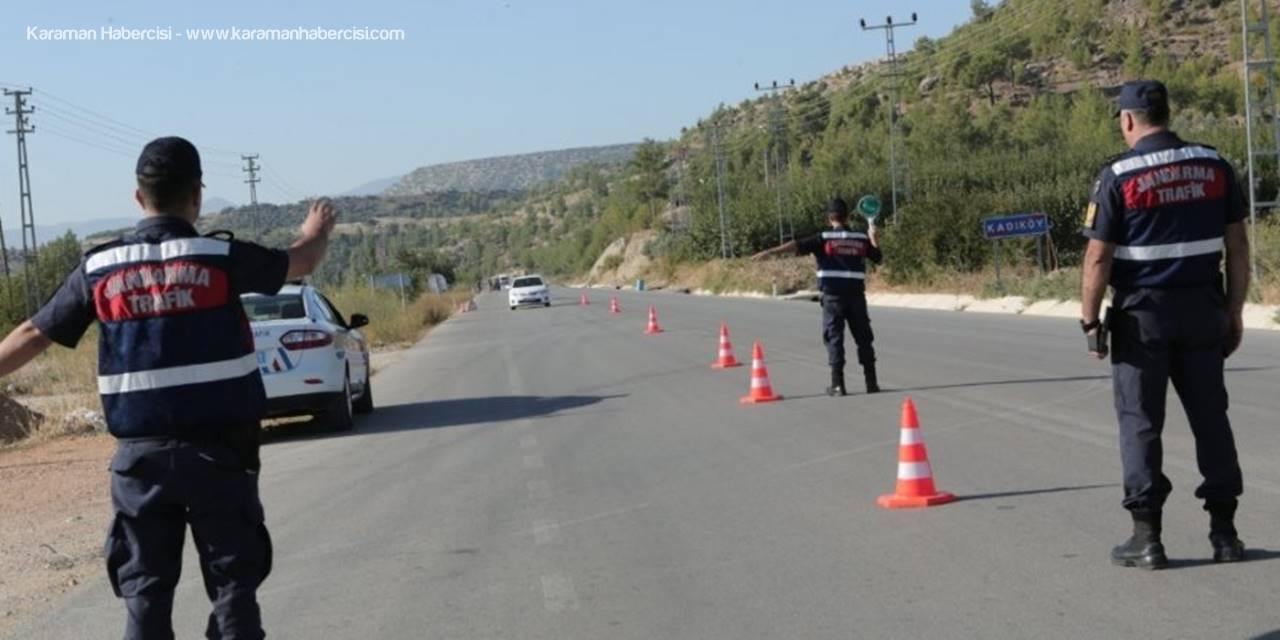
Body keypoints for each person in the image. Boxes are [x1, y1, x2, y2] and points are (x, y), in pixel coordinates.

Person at [0, 136, 338, 638]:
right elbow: (302, 261)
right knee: (233, 588)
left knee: (145, 593)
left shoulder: (100, 268)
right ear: (197, 197)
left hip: (141, 463)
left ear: (139, 198)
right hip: (223, 456)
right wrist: (316, 228)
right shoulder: (221, 256)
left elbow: (32, 335)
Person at [1080, 80, 1251, 570]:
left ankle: (1147, 538)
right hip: (1203, 312)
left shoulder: (1118, 174)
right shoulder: (1214, 165)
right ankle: (1225, 533)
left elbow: (1098, 257)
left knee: (1141, 423)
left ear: (1128, 120)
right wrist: (1234, 310)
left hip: (1143, 319)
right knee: (1211, 420)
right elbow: (1237, 245)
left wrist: (1089, 320)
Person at [752, 197, 883, 396]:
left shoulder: (823, 238)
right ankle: (871, 383)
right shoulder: (860, 238)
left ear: (829, 218)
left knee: (834, 339)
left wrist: (769, 252)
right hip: (856, 297)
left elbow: (794, 245)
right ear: (847, 217)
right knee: (864, 339)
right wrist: (873, 237)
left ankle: (838, 385)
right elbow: (878, 257)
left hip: (833, 298)